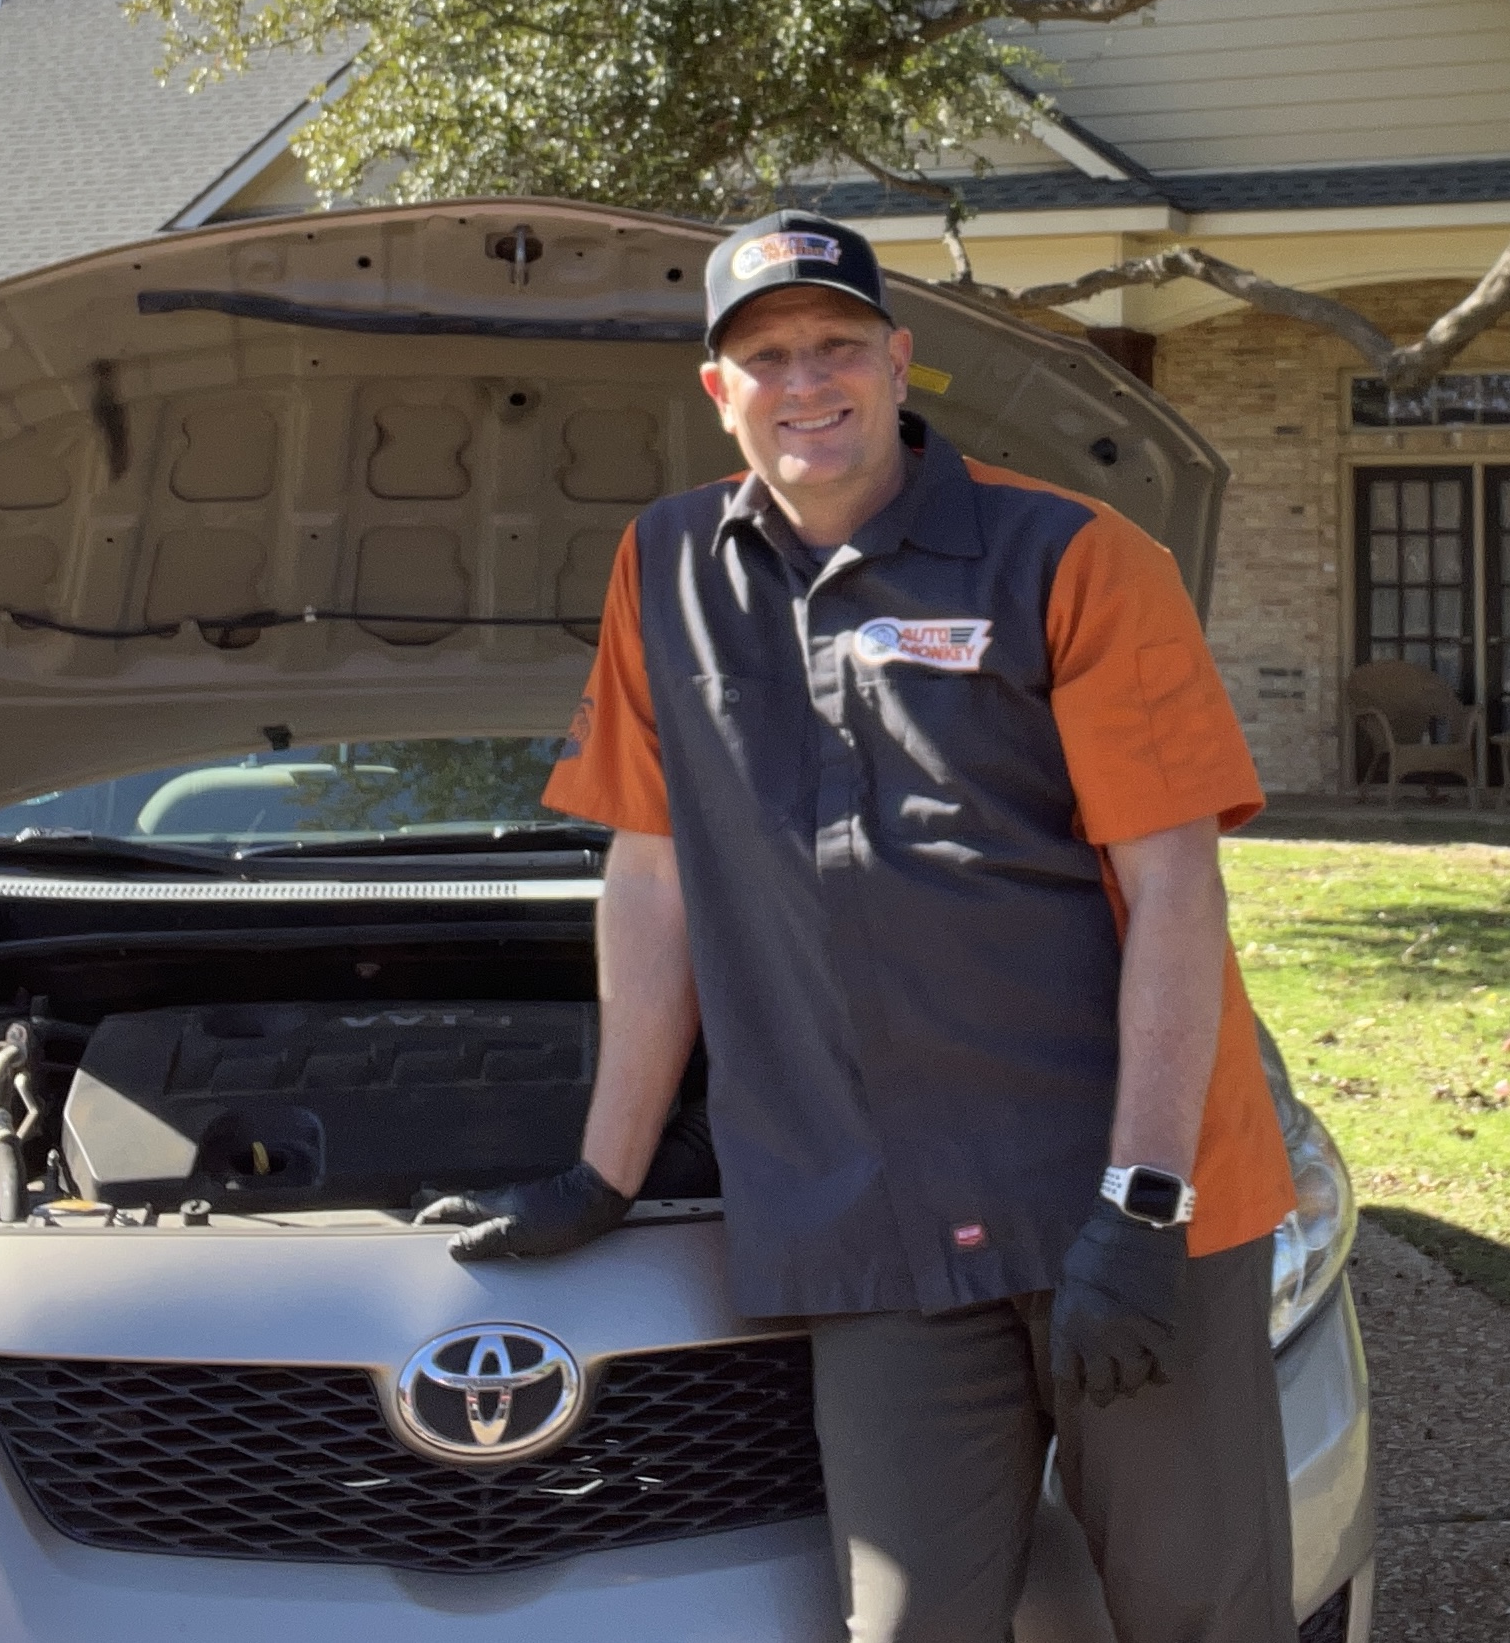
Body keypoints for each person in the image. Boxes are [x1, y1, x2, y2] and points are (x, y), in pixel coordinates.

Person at [416, 211, 1301, 1643]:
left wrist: (1141, 1207)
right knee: (905, 1624)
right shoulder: (665, 568)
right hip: (871, 1214)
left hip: (1124, 1192)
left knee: (1196, 1610)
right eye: (764, 356)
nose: (803, 381)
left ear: (899, 363)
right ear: (719, 390)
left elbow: (1176, 891)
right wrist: (601, 1169)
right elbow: (652, 875)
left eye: (835, 345)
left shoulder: (1074, 556)